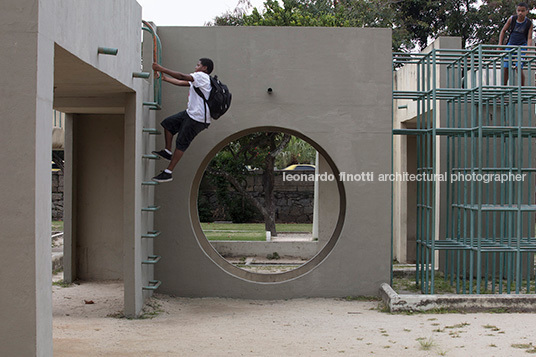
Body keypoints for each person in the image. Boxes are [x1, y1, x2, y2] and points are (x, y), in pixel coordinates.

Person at [151, 58, 213, 183]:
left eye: (198, 65)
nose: (195, 67)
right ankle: (167, 151)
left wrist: (161, 68)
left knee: (181, 143)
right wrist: (165, 79)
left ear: (204, 68)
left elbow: (182, 76)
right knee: (168, 124)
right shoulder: (200, 80)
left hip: (197, 118)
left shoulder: (201, 76)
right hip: (190, 114)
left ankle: (168, 172)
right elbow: (181, 82)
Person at [499, 2, 533, 85]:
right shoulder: (512, 19)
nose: (520, 13)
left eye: (523, 11)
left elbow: (529, 38)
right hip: (511, 44)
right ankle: (504, 87)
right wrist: (500, 45)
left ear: (527, 12)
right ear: (516, 11)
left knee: (519, 67)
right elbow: (503, 31)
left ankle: (521, 89)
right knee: (505, 67)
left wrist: (528, 50)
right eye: (519, 10)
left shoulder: (529, 23)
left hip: (522, 46)